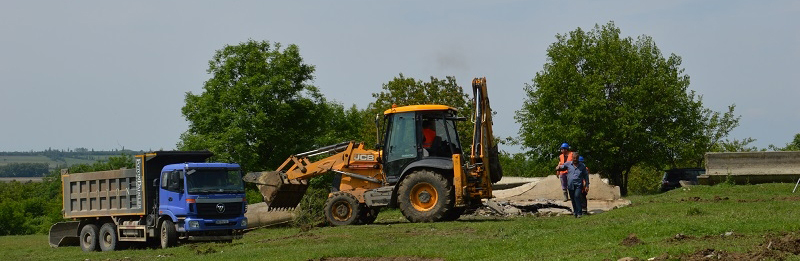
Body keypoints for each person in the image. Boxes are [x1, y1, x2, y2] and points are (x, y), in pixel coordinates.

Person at [557, 152, 589, 218]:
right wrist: (558, 168)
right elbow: (562, 167)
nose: (575, 159)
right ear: (572, 158)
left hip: (578, 185)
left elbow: (586, 175)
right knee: (573, 199)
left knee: (577, 196)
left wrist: (587, 185)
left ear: (578, 158)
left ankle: (579, 213)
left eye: (576, 158)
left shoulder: (582, 166)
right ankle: (575, 212)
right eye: (574, 158)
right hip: (570, 185)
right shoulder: (568, 164)